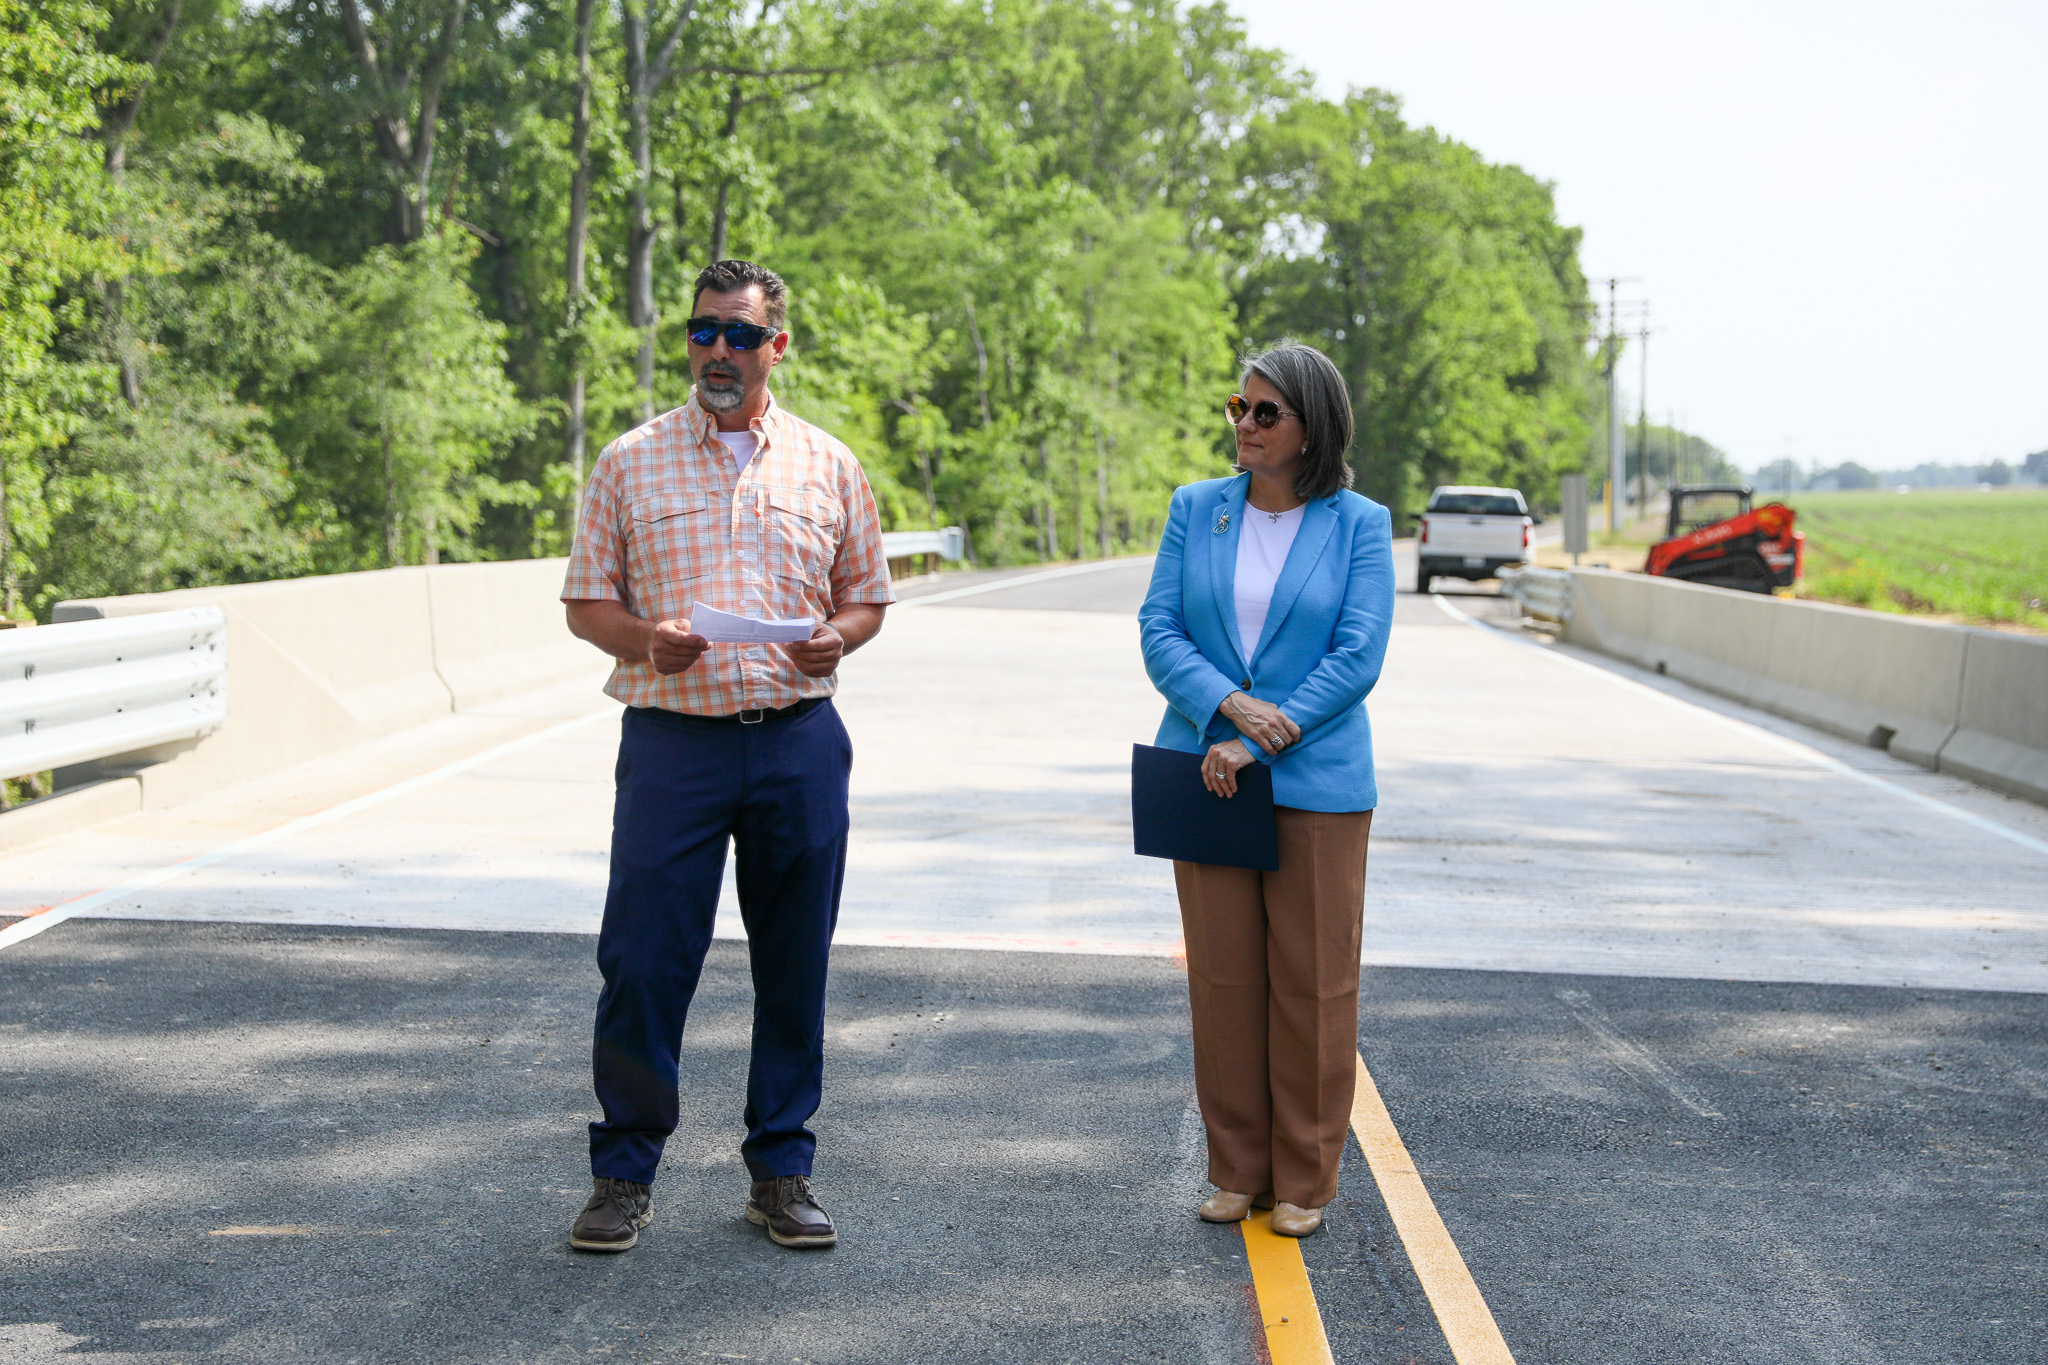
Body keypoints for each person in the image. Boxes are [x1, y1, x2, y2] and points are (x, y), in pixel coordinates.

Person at [559, 259, 893, 1254]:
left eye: (740, 335)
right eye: (704, 332)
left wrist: (840, 636)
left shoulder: (829, 464)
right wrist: (640, 641)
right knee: (642, 962)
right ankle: (621, 1174)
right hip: (672, 745)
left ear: (774, 347)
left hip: (795, 743)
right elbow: (585, 603)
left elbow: (867, 596)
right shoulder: (628, 461)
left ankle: (781, 1172)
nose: (718, 351)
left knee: (793, 965)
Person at [1137, 343, 1395, 1238]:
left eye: (1264, 413)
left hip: (1315, 780)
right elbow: (1159, 627)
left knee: (1313, 984)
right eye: (1237, 409)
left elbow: (1356, 655)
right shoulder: (1195, 508)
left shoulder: (1359, 522)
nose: (1244, 425)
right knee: (1221, 977)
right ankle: (1235, 1167)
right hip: (1204, 769)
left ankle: (1305, 1179)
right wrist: (1228, 708)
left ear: (1311, 425)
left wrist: (1263, 738)